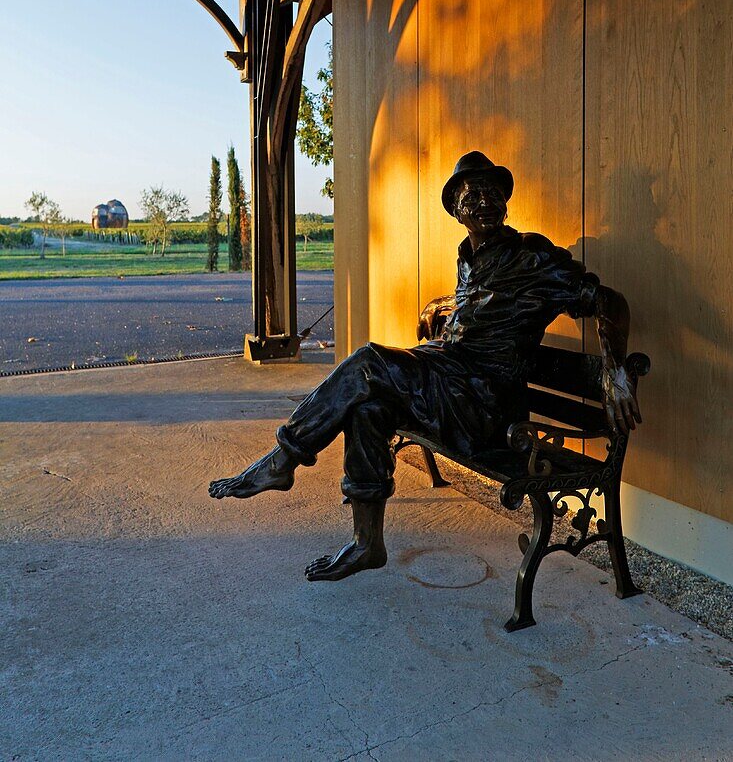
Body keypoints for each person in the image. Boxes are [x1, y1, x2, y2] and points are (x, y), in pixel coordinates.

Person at [209, 150, 641, 581]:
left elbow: (609, 301)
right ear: (456, 210)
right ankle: (367, 544)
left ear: (506, 203)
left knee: (367, 362)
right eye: (473, 196)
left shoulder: (531, 256)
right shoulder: (470, 260)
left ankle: (283, 459)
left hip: (483, 406)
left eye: (494, 193)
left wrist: (615, 371)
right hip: (451, 382)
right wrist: (449, 304)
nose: (486, 202)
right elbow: (489, 303)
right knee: (367, 407)